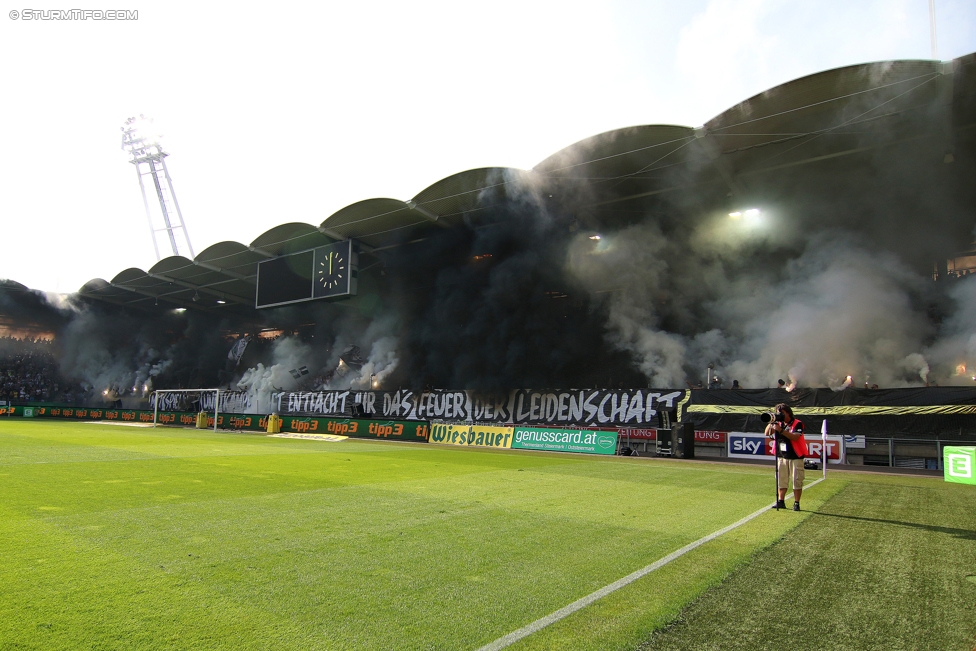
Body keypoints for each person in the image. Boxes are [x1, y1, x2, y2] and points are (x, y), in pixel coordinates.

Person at [765, 403, 808, 511]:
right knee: (781, 479)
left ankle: (796, 503)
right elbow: (767, 433)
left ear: (788, 413)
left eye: (782, 413)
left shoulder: (798, 423)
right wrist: (771, 421)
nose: (780, 415)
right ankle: (781, 501)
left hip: (795, 456)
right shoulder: (778, 423)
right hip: (781, 455)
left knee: (797, 480)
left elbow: (795, 438)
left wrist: (781, 430)